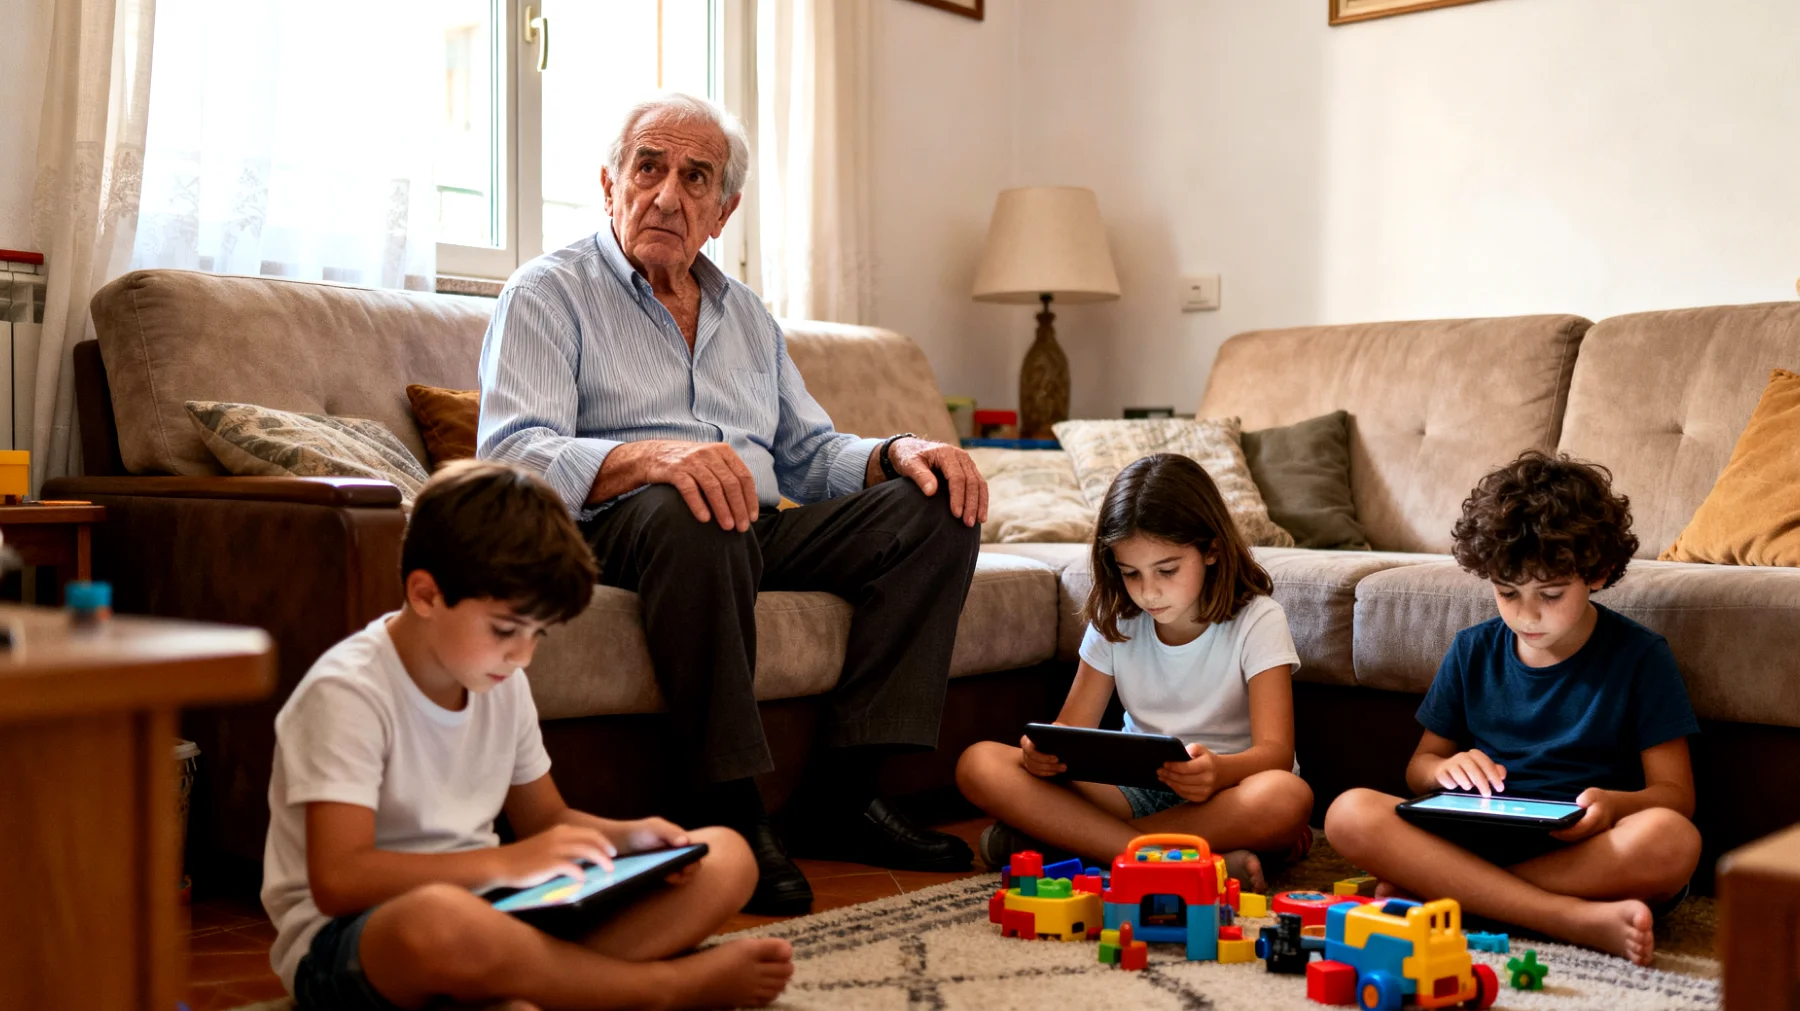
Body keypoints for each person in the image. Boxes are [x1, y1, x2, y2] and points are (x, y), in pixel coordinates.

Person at [476, 92, 987, 915]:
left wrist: (900, 451)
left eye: (695, 176)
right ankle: (727, 801)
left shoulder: (747, 315)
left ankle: (847, 791)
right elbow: (510, 454)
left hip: (747, 525)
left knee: (937, 506)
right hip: (620, 525)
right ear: (610, 184)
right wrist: (651, 456)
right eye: (648, 167)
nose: (667, 194)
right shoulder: (546, 293)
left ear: (724, 211)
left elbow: (811, 455)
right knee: (696, 501)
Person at [261, 461, 794, 1010]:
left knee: (728, 856)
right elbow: (339, 879)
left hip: (495, 911)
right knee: (441, 921)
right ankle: (659, 990)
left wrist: (631, 839)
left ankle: (541, 983)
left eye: (536, 634)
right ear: (425, 595)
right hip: (356, 940)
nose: (521, 655)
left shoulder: (499, 680)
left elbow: (547, 820)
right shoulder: (347, 692)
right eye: (505, 629)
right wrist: (509, 863)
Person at [1324, 451, 1701, 967]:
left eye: (1549, 593)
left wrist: (1614, 806)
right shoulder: (1472, 649)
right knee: (1348, 813)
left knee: (1672, 841)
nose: (1526, 615)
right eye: (1507, 592)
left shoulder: (1640, 657)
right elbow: (1419, 769)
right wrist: (1445, 768)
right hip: (1481, 841)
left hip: (1582, 853)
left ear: (1598, 572)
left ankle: (1453, 899)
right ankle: (1563, 918)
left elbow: (1675, 797)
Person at [955, 453, 1314, 891]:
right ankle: (1171, 861)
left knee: (1287, 797)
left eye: (1167, 570)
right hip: (1129, 792)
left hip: (1224, 793)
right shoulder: (1117, 619)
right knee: (980, 764)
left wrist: (1217, 772)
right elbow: (1070, 728)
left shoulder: (1259, 620)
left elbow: (1276, 753)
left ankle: (1089, 846)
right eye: (1130, 573)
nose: (1148, 591)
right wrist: (1041, 752)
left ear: (1212, 550)